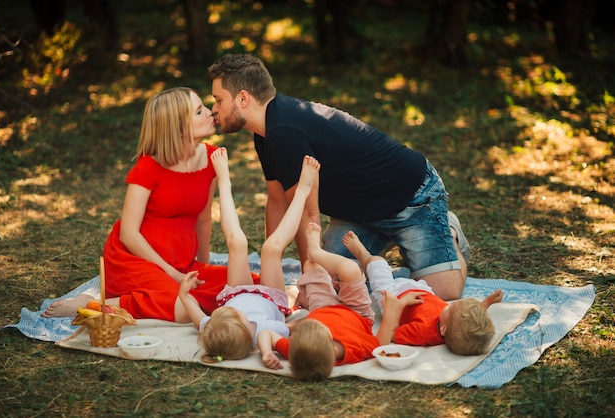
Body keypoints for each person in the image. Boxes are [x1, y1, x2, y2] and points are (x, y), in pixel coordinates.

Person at [207, 53, 470, 300]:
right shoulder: (265, 133)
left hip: (411, 198)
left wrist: (310, 278)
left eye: (218, 100)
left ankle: (447, 230)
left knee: (444, 293)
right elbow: (278, 201)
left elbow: (305, 214)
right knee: (335, 285)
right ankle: (386, 243)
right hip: (358, 214)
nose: (213, 109)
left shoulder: (284, 134)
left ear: (243, 98)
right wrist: (270, 265)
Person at [42, 87, 252, 322]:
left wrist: (200, 267)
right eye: (198, 111)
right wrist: (171, 273)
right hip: (137, 259)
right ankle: (96, 303)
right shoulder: (148, 167)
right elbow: (128, 234)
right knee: (183, 309)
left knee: (248, 283)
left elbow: (203, 219)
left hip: (182, 259)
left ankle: (167, 294)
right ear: (178, 127)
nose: (210, 113)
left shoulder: (212, 159)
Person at [179, 149, 321, 365]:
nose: (234, 313)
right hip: (270, 297)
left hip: (236, 292)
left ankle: (224, 181)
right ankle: (302, 191)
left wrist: (184, 293)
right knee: (271, 248)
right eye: (236, 315)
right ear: (246, 330)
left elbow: (194, 311)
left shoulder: (215, 330)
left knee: (237, 243)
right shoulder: (265, 330)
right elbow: (295, 326)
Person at [344, 230, 503, 355]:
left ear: (443, 330)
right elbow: (471, 320)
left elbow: (391, 333)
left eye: (451, 307)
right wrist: (487, 302)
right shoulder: (456, 324)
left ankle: (363, 255)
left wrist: (402, 303)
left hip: (393, 298)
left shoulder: (422, 333)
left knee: (377, 265)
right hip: (420, 290)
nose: (451, 303)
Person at [257, 222, 381, 381]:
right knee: (349, 269)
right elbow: (380, 343)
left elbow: (265, 334)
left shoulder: (299, 351)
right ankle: (316, 252)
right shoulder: (357, 348)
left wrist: (267, 352)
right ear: (334, 351)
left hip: (321, 307)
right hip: (357, 313)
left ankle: (314, 259)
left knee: (310, 265)